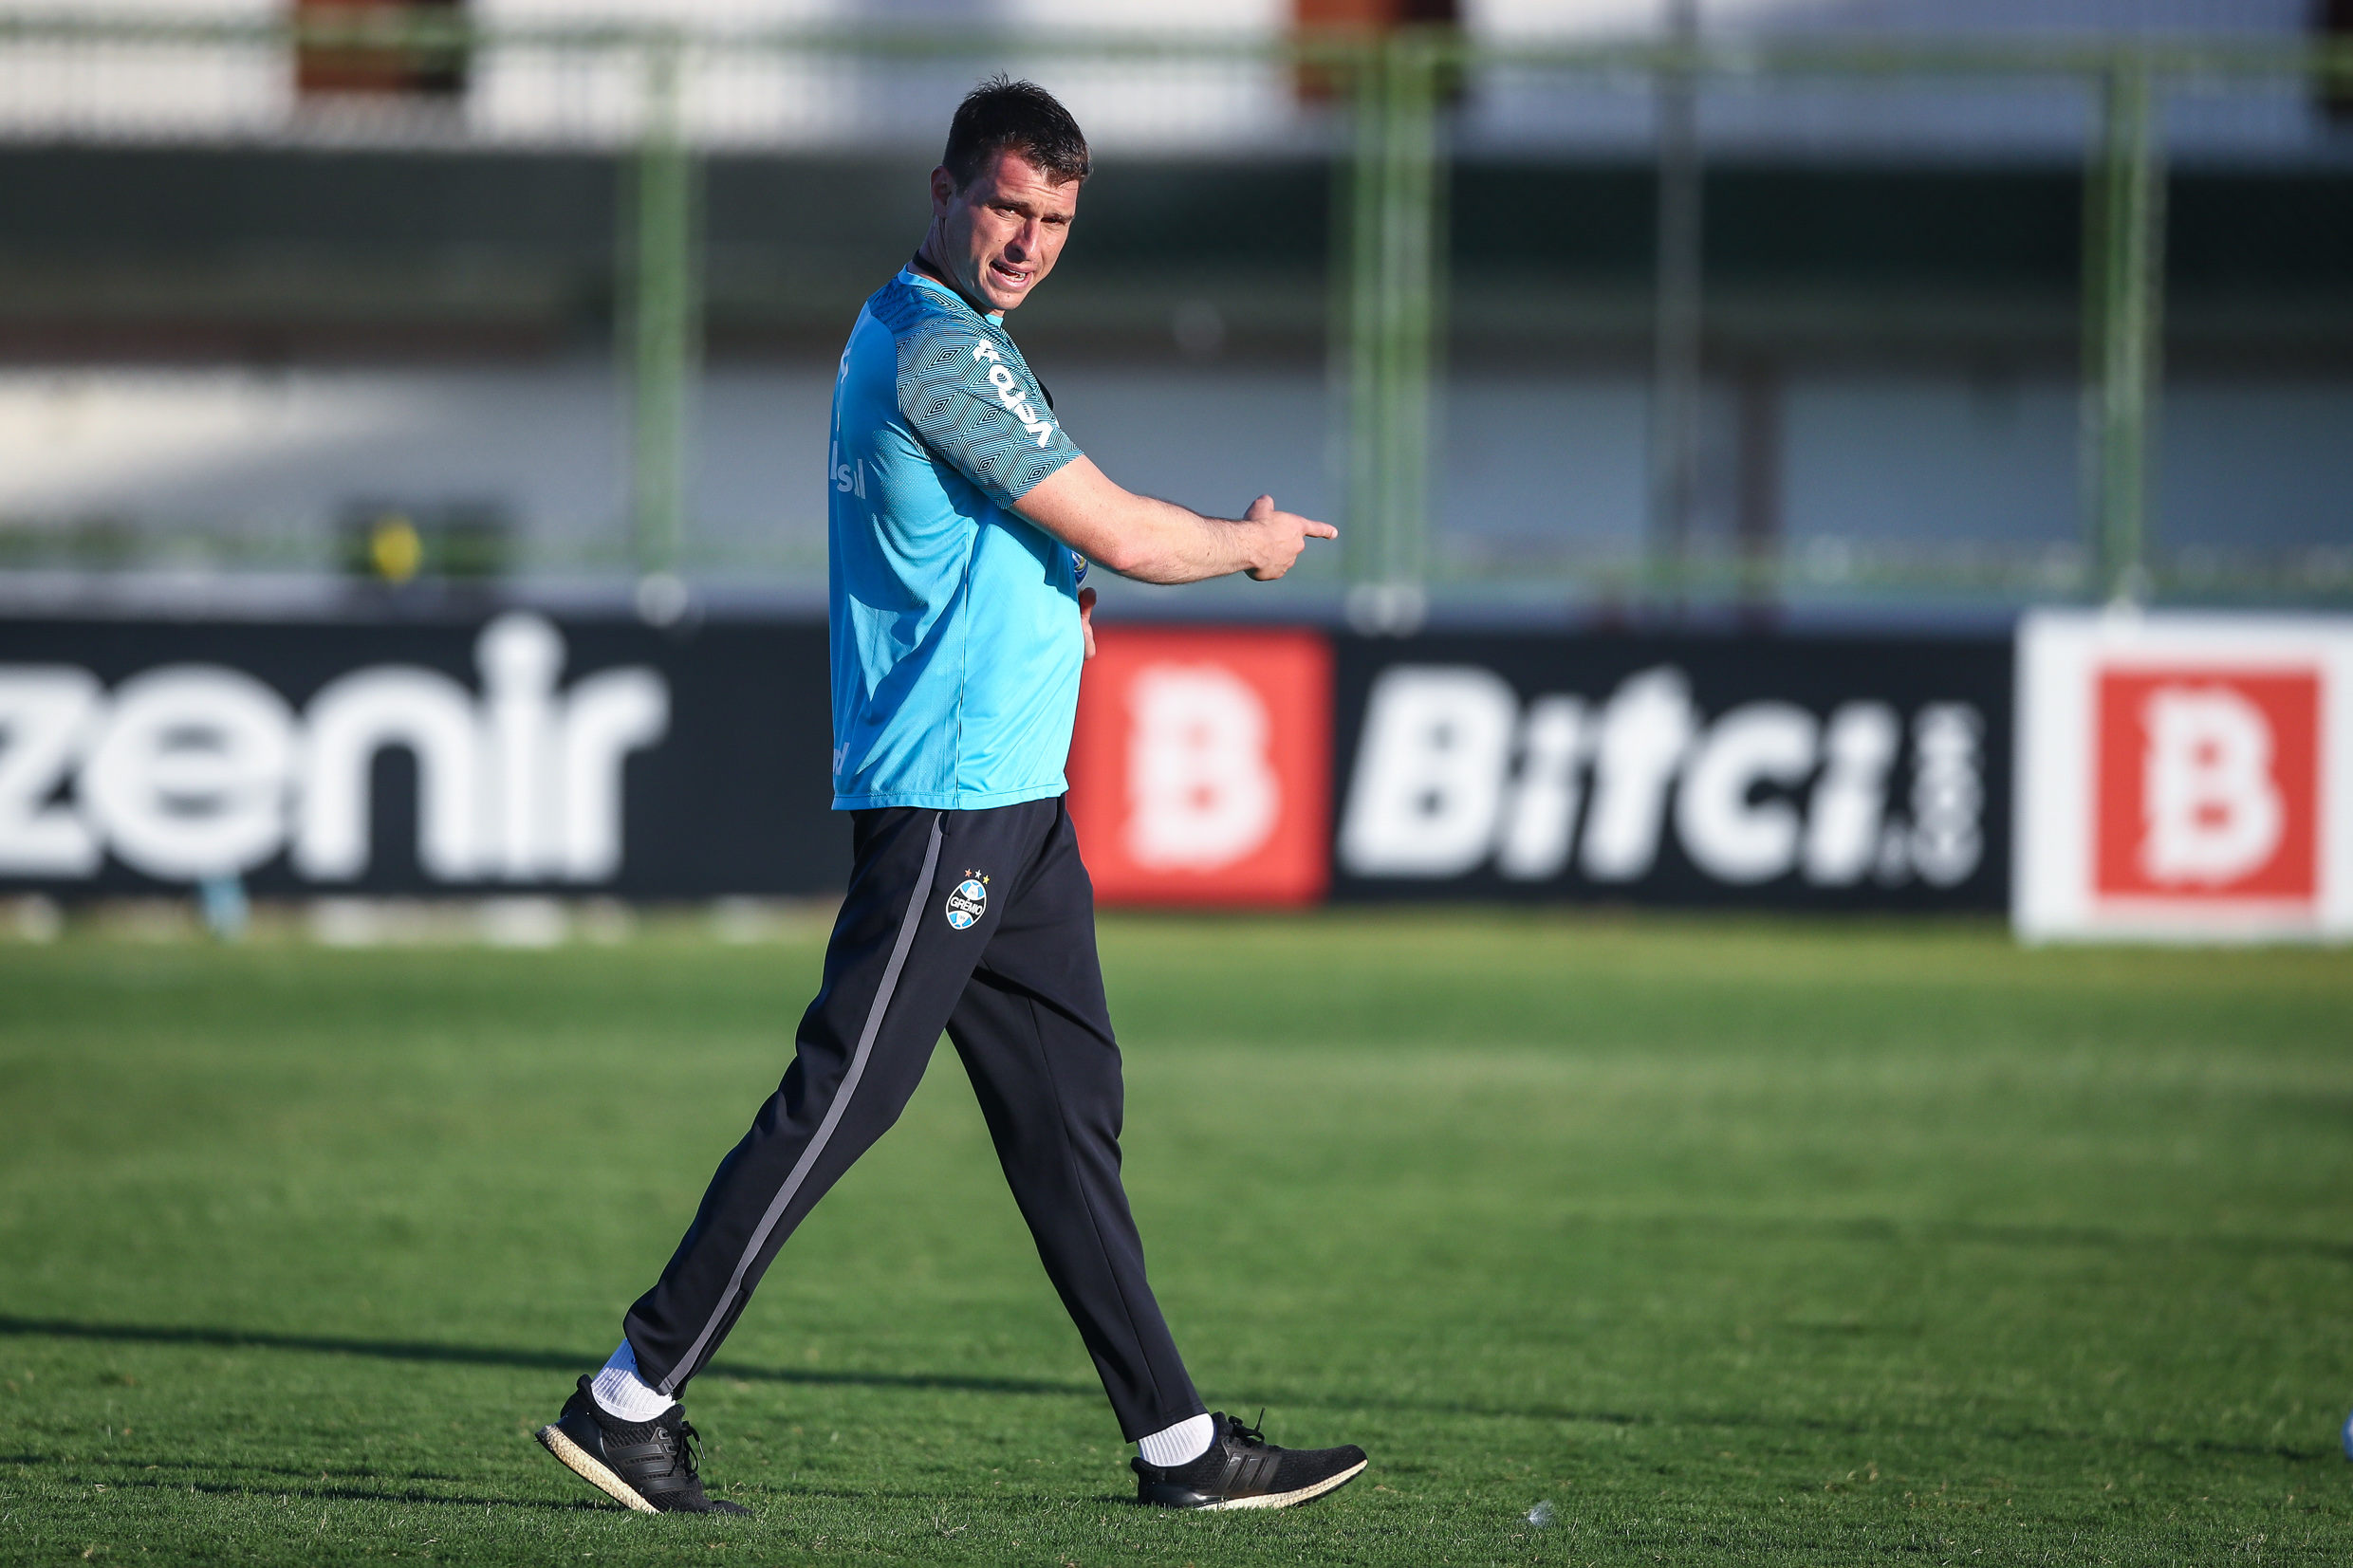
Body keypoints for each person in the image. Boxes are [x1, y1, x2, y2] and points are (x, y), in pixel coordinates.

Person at [535, 75, 1364, 1517]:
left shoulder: (950, 334)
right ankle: (630, 1393)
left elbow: (1034, 543)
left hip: (1015, 801)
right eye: (1007, 205)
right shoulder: (936, 348)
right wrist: (1248, 543)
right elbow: (1117, 527)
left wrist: (1065, 598)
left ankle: (1176, 1441)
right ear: (945, 189)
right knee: (844, 1095)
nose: (1030, 239)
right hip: (954, 795)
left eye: (1055, 217)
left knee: (1067, 1117)